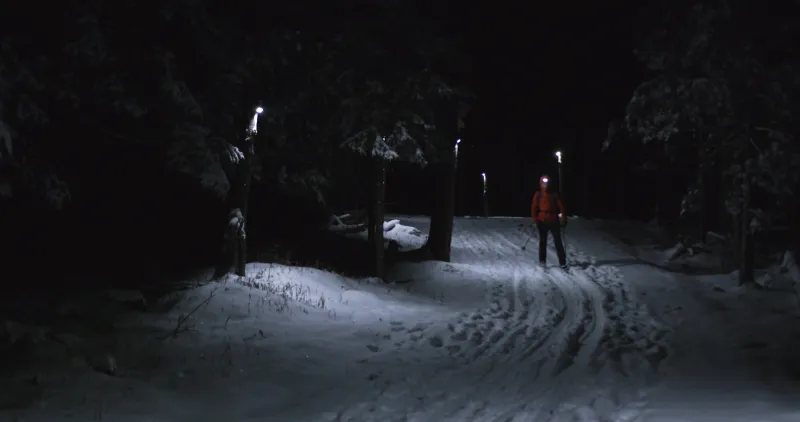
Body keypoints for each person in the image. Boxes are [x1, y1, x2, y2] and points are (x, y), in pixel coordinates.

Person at [531, 175, 567, 268]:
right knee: (543, 241)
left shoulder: (554, 194)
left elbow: (562, 207)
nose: (545, 185)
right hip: (542, 220)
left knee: (557, 241)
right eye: (543, 183)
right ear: (540, 183)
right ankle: (542, 261)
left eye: (546, 183)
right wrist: (534, 220)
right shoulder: (538, 194)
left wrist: (563, 219)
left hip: (554, 219)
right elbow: (534, 207)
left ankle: (562, 262)